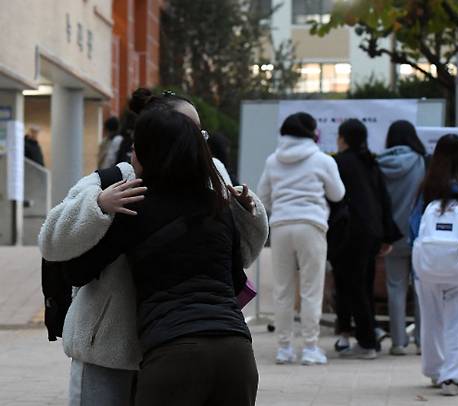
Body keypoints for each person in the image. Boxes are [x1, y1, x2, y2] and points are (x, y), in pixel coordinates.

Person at [38, 89, 268, 406]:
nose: (195, 139)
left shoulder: (210, 182)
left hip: (171, 348)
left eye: (199, 132)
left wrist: (248, 210)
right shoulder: (116, 184)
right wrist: (98, 205)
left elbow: (241, 255)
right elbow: (53, 244)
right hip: (125, 352)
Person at [257, 112, 345, 365]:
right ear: (312, 133)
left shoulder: (273, 160)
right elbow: (337, 194)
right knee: (311, 288)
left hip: (282, 226)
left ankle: (284, 348)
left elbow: (263, 197)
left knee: (282, 289)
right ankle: (310, 347)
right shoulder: (322, 159)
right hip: (312, 224)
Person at [409, 134, 458, 396]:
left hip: (427, 269)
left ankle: (434, 370)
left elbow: (413, 229)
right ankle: (452, 378)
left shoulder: (427, 189)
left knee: (431, 320)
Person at [331, 118, 401, 359]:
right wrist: (387, 235)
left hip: (349, 234)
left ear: (343, 138)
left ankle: (366, 341)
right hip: (371, 234)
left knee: (350, 286)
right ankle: (369, 335)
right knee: (363, 286)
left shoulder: (339, 162)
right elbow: (384, 200)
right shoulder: (371, 162)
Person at [376, 120, 426, 355]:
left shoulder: (379, 163)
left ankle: (398, 342)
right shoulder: (421, 161)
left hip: (390, 237)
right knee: (420, 289)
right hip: (418, 235)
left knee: (395, 288)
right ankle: (421, 341)